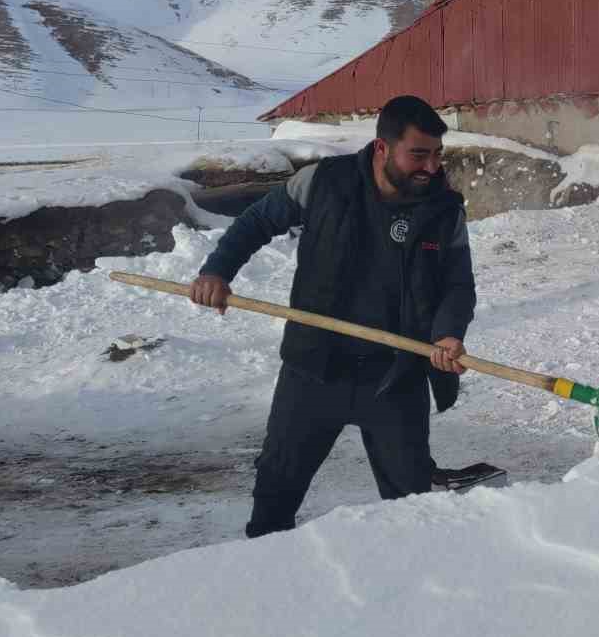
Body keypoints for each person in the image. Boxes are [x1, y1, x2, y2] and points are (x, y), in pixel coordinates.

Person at [190, 95, 475, 538]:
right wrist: (216, 272)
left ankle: (414, 590)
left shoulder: (443, 210)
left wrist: (449, 334)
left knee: (411, 504)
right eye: (418, 155)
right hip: (313, 367)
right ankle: (263, 584)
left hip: (395, 375)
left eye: (437, 155)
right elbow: (255, 223)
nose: (431, 167)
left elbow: (457, 284)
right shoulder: (322, 182)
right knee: (275, 493)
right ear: (382, 148)